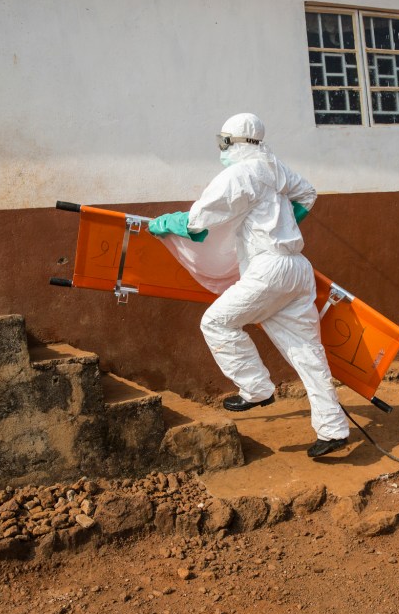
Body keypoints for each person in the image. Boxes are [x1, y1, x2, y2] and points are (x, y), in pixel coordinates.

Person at [148, 113, 350, 458]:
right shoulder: (273, 166)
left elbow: (199, 220)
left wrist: (167, 223)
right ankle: (333, 429)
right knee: (308, 353)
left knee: (216, 322)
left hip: (269, 269)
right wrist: (283, 224)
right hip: (298, 267)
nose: (221, 149)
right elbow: (308, 193)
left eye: (222, 142)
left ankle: (256, 389)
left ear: (232, 142)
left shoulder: (238, 174)